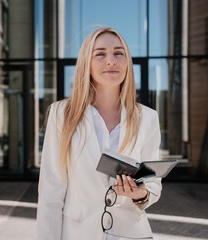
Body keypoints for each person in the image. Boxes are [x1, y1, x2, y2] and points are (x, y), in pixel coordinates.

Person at [36, 27, 161, 240]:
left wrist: (140, 194)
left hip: (130, 233)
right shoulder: (62, 114)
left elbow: (153, 183)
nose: (111, 60)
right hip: (77, 234)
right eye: (100, 54)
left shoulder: (148, 117)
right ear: (87, 63)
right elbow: (51, 192)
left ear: (127, 63)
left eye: (119, 53)